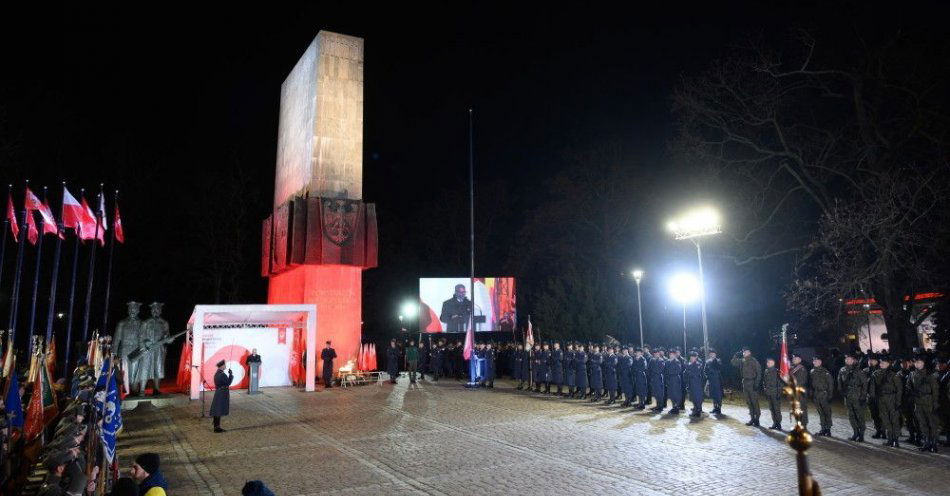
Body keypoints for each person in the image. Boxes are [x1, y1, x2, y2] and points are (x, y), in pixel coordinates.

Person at [909, 355, 940, 452]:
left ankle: (934, 443)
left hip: (928, 401)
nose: (916, 364)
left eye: (918, 362)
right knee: (922, 423)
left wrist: (935, 404)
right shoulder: (912, 374)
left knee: (932, 423)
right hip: (918, 402)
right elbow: (909, 386)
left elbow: (935, 391)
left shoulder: (929, 375)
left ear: (923, 363)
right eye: (915, 362)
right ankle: (926, 442)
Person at [872, 355, 902, 447]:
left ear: (888, 364)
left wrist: (898, 402)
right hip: (881, 399)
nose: (881, 364)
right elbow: (872, 388)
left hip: (892, 398)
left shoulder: (894, 375)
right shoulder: (875, 374)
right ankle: (890, 439)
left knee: (894, 420)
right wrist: (874, 399)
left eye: (883, 363)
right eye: (880, 362)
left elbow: (899, 389)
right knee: (885, 419)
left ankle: (895, 440)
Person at [838, 352, 868, 442]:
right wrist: (841, 392)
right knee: (851, 415)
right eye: (846, 359)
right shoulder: (842, 370)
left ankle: (861, 434)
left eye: (850, 359)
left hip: (857, 395)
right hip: (847, 395)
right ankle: (855, 433)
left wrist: (863, 396)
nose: (848, 360)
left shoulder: (859, 371)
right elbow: (839, 381)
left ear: (854, 360)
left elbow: (865, 384)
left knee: (859, 415)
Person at [732, 347, 762, 426]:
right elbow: (733, 362)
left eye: (745, 352)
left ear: (749, 352)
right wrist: (735, 355)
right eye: (743, 352)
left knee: (754, 402)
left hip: (752, 382)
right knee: (748, 402)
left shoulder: (753, 360)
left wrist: (756, 383)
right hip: (745, 382)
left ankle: (757, 419)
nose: (744, 353)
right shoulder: (742, 360)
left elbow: (759, 372)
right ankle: (752, 418)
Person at [898, 357, 920, 445]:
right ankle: (912, 436)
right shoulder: (899, 374)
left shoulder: (914, 372)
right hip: (904, 400)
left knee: (917, 419)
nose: (904, 364)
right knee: (909, 419)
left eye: (906, 362)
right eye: (902, 363)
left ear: (910, 363)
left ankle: (919, 437)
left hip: (914, 400)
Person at [810, 356, 834, 436]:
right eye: (814, 361)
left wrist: (830, 396)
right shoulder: (812, 371)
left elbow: (830, 385)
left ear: (820, 362)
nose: (815, 362)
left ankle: (828, 429)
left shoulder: (825, 372)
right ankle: (823, 428)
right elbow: (811, 383)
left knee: (827, 412)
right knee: (820, 412)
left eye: (816, 361)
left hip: (824, 394)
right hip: (816, 394)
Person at [210, 359, 233, 433]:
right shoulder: (222, 374)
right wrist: (231, 375)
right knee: (218, 409)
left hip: (218, 392)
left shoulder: (217, 373)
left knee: (217, 409)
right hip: (222, 393)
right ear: (222, 366)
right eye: (225, 365)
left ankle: (216, 426)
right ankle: (217, 428)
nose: (225, 366)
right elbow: (228, 383)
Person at [864, 354, 884, 439]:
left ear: (877, 361)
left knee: (882, 414)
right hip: (870, 397)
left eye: (873, 360)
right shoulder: (865, 371)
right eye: (869, 360)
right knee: (874, 415)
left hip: (880, 396)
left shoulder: (881, 371)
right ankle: (878, 430)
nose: (871, 362)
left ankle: (884, 431)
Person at [762, 357, 783, 430]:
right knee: (771, 409)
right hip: (769, 393)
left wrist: (779, 393)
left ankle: (778, 423)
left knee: (777, 409)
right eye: (767, 362)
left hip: (775, 393)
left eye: (770, 362)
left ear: (773, 363)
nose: (768, 364)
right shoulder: (766, 371)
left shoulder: (778, 371)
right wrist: (764, 388)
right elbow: (764, 381)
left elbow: (781, 384)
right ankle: (774, 423)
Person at [789, 353, 809, 428]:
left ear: (800, 360)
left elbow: (801, 381)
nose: (794, 359)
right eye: (793, 358)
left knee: (802, 408)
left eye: (796, 358)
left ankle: (804, 425)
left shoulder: (801, 368)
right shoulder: (792, 368)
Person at [664, 348, 684, 414]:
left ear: (675, 355)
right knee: (671, 394)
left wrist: (670, 372)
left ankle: (677, 407)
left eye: (672, 354)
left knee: (676, 393)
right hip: (669, 379)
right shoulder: (667, 362)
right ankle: (673, 406)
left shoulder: (677, 361)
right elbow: (665, 371)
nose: (671, 355)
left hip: (675, 379)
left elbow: (678, 370)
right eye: (670, 354)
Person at [685, 350, 705, 417]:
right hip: (691, 382)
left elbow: (695, 373)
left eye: (693, 357)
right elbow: (686, 373)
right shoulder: (689, 364)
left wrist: (689, 371)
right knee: (693, 397)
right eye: (691, 357)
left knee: (697, 397)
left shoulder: (698, 364)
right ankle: (695, 409)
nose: (692, 358)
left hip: (697, 382)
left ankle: (698, 411)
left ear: (696, 357)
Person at [705, 349, 723, 415]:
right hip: (711, 380)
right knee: (713, 394)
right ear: (709, 354)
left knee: (718, 394)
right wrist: (707, 377)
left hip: (717, 380)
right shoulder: (707, 362)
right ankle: (715, 407)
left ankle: (719, 408)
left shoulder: (718, 360)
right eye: (711, 354)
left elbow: (719, 367)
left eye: (713, 354)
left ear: (715, 354)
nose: (712, 355)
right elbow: (705, 370)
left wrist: (714, 360)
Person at [648, 348, 666, 412]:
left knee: (660, 393)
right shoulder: (651, 360)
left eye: (657, 353)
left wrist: (653, 372)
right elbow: (649, 369)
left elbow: (661, 370)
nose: (656, 354)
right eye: (655, 353)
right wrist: (651, 376)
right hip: (653, 379)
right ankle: (657, 405)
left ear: (659, 353)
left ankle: (660, 407)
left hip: (659, 378)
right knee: (655, 393)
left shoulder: (661, 360)